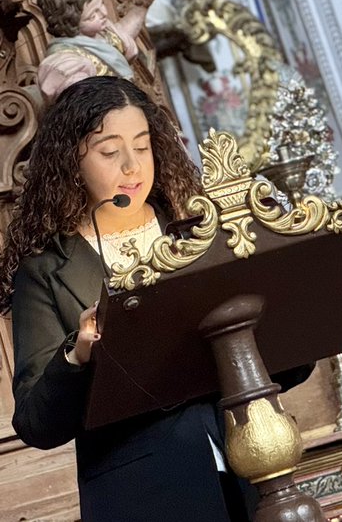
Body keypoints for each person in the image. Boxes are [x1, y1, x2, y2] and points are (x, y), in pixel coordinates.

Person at [0, 77, 305, 521]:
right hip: (141, 496)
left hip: (252, 476)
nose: (132, 166)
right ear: (71, 161)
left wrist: (274, 295)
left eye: (142, 147)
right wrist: (77, 355)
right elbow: (35, 423)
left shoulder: (200, 231)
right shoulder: (46, 271)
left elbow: (291, 365)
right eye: (109, 151)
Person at [37, 0, 155, 101]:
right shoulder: (66, 61)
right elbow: (80, 101)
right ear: (69, 22)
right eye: (92, 15)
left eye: (102, 4)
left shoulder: (103, 32)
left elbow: (123, 35)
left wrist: (139, 10)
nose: (104, 13)